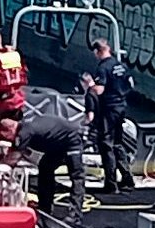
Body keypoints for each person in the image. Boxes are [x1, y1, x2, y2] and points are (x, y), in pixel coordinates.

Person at [17, 76, 96, 211]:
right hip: (56, 143)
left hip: (72, 139)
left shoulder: (25, 131)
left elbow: (16, 156)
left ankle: (75, 213)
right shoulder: (25, 128)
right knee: (45, 167)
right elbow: (25, 152)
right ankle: (45, 206)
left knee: (77, 176)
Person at [88, 48, 143, 192]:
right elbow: (130, 83)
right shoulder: (121, 65)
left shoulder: (103, 68)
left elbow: (99, 90)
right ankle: (127, 179)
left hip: (109, 109)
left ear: (97, 51)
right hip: (121, 107)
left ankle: (111, 183)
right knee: (118, 144)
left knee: (106, 145)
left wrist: (90, 85)